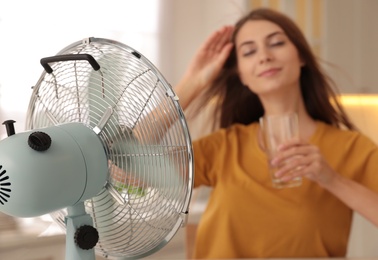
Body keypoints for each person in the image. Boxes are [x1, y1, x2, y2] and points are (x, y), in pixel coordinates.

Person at [173, 8, 378, 259]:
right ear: (242, 75)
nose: (265, 57)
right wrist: (192, 83)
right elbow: (123, 166)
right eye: (249, 51)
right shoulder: (225, 147)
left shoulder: (351, 148)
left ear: (302, 56)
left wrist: (332, 180)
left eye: (277, 43)